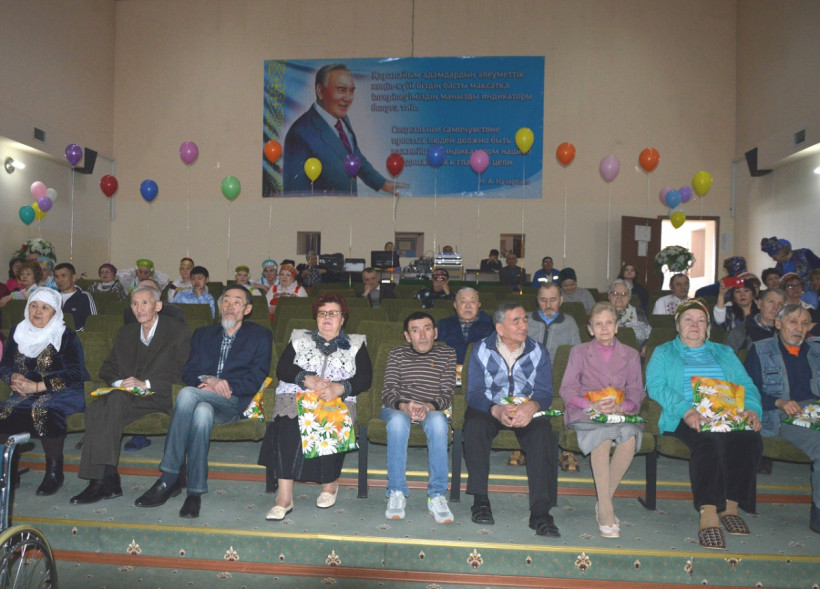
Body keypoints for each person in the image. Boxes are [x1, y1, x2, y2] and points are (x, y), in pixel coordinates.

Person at [135, 286, 272, 518]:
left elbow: (256, 378)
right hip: (205, 398)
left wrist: (223, 385)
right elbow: (188, 371)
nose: (229, 306)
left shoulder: (260, 336)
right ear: (219, 306)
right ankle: (194, 492)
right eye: (226, 301)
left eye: (237, 302)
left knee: (187, 395)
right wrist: (208, 379)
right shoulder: (203, 334)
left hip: (233, 402)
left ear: (247, 309)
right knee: (202, 413)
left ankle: (169, 477)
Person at [645, 299, 762, 550]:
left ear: (707, 327)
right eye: (688, 320)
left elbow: (747, 385)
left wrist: (752, 409)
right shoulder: (664, 352)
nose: (695, 325)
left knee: (749, 438)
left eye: (700, 320)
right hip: (684, 415)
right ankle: (709, 512)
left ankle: (731, 507)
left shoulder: (724, 352)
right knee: (710, 441)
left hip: (726, 414)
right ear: (677, 326)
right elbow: (656, 387)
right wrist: (687, 411)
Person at [69, 284, 190, 505]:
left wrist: (146, 383)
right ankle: (103, 478)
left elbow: (183, 372)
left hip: (161, 394)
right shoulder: (126, 333)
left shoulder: (177, 332)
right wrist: (120, 383)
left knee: (109, 404)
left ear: (158, 306)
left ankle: (105, 481)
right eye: (134, 304)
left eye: (145, 303)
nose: (139, 308)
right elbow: (108, 368)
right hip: (128, 394)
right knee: (99, 406)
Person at [259, 292, 371, 520]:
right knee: (288, 423)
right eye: (322, 313)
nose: (327, 317)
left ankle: (330, 483)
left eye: (333, 313)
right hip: (298, 394)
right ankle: (284, 497)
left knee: (330, 419)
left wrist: (340, 388)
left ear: (343, 318)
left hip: (336, 397)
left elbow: (365, 378)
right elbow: (283, 369)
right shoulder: (300, 338)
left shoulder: (356, 343)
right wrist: (307, 379)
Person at [463, 302, 560, 537]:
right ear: (500, 328)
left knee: (542, 434)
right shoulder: (481, 350)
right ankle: (480, 501)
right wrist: (495, 409)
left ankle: (540, 513)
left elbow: (545, 392)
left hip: (525, 407)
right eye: (516, 321)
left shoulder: (538, 351)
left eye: (524, 320)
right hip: (492, 407)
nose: (523, 325)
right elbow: (474, 393)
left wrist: (532, 406)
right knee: (474, 425)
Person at [559, 302, 645, 538]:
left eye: (609, 323)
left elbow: (636, 391)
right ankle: (606, 509)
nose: (604, 328)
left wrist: (622, 407)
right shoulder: (578, 352)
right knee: (603, 438)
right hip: (586, 412)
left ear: (617, 327)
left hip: (619, 413)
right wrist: (591, 405)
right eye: (598, 324)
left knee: (629, 437)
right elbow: (567, 389)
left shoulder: (631, 354)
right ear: (590, 329)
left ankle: (603, 501)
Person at [0, 288, 87, 495]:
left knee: (44, 411)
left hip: (63, 390)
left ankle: (54, 473)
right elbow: (5, 364)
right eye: (34, 305)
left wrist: (39, 386)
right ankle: (8, 470)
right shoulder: (18, 331)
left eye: (45, 307)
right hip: (26, 391)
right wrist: (13, 377)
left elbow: (76, 373)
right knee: (3, 412)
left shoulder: (65, 336)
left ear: (55, 312)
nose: (38, 311)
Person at [745, 304, 820, 534]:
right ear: (778, 324)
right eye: (793, 322)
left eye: (804, 323)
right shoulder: (760, 350)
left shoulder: (816, 351)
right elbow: (749, 392)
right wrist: (778, 402)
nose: (799, 328)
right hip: (782, 414)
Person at [283, 63, 406, 195]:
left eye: (351, 91)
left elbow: (355, 158)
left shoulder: (343, 120)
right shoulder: (299, 133)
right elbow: (295, 193)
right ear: (320, 91)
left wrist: (381, 183)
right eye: (341, 90)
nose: (348, 98)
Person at [382, 312, 456, 523]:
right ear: (407, 336)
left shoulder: (447, 354)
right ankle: (396, 491)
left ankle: (437, 495)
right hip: (398, 407)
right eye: (415, 330)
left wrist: (428, 407)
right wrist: (404, 406)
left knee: (439, 423)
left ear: (435, 333)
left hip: (432, 408)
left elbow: (448, 393)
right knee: (398, 422)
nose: (422, 335)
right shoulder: (397, 354)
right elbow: (388, 391)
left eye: (427, 329)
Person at [436, 287, 495, 365]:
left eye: (472, 302)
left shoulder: (492, 325)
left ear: (479, 305)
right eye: (463, 302)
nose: (468, 306)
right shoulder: (442, 325)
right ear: (455, 305)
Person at [528, 282, 581, 361]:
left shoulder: (569, 323)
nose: (548, 305)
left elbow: (577, 354)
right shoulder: (525, 320)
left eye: (553, 300)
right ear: (537, 300)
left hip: (557, 368)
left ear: (561, 300)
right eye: (543, 300)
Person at [726, 288, 785, 353]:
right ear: (759, 304)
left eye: (780, 304)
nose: (775, 307)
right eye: (771, 302)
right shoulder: (740, 332)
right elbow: (728, 358)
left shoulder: (786, 331)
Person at [607, 279, 651, 357]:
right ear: (609, 296)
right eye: (615, 293)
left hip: (636, 356)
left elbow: (649, 334)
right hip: (607, 355)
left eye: (624, 294)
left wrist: (646, 346)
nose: (619, 297)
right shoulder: (601, 314)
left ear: (629, 297)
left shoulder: (639, 313)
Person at [53, 262, 97, 331]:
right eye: (56, 277)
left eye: (63, 276)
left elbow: (92, 322)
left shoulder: (84, 297)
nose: (59, 280)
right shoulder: (52, 296)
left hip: (78, 335)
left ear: (73, 278)